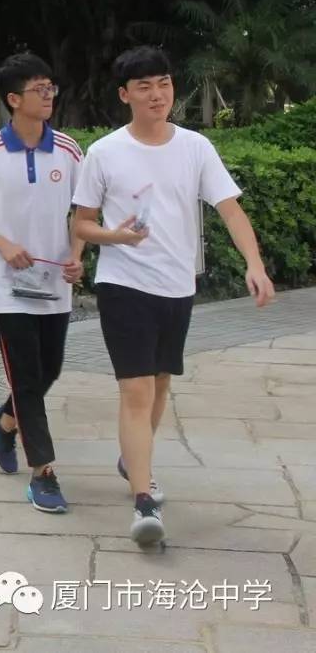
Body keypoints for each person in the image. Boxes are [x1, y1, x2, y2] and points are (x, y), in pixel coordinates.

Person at [72, 45, 274, 546]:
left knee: (161, 384)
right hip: (123, 284)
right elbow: (80, 223)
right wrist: (115, 238)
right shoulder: (104, 152)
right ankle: (144, 500)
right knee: (136, 389)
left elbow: (230, 209)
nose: (157, 94)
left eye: (163, 83)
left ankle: (131, 458)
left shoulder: (195, 148)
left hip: (177, 285)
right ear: (125, 95)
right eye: (144, 86)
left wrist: (254, 263)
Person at [0, 52, 85, 513]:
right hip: (8, 286)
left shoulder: (68, 151)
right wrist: (1, 245)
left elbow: (83, 213)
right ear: (13, 99)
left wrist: (78, 257)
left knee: (49, 370)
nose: (48, 96)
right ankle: (43, 473)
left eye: (51, 88)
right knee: (26, 376)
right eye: (38, 90)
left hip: (55, 281)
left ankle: (3, 423)